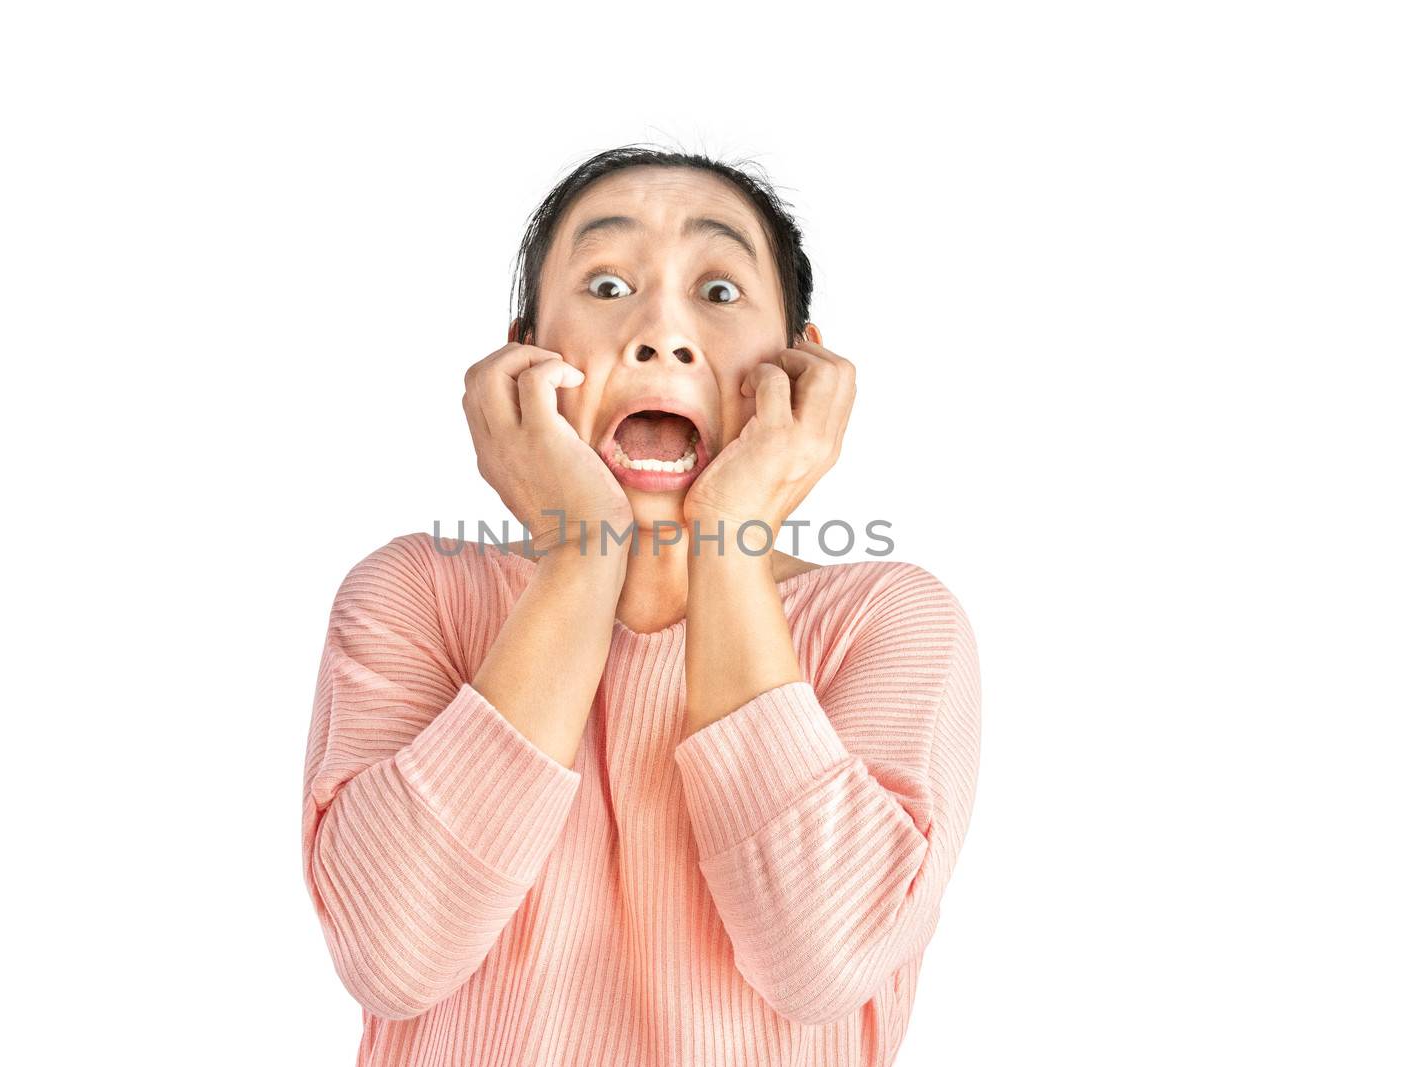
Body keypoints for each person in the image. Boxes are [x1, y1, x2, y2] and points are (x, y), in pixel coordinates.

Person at [300, 144, 982, 1066]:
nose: (662, 331)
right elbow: (392, 955)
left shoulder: (889, 621)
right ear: (524, 356)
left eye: (721, 290)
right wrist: (582, 551)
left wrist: (730, 537)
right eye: (610, 285)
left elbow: (821, 961)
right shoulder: (414, 596)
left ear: (801, 367)